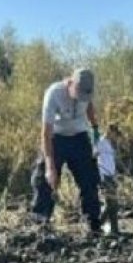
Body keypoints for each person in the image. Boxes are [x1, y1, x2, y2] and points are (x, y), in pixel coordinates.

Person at [31, 68, 103, 235]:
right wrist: (50, 168)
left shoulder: (86, 92)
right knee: (43, 179)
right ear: (70, 83)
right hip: (56, 138)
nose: (81, 99)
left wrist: (95, 129)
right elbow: (46, 133)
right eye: (78, 95)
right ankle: (41, 224)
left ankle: (93, 224)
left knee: (90, 179)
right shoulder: (53, 94)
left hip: (79, 137)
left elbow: (89, 106)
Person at [95, 123, 123, 235]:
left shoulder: (110, 144)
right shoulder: (101, 142)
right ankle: (98, 226)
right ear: (110, 132)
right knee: (112, 203)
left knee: (112, 203)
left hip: (111, 176)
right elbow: (93, 155)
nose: (116, 136)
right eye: (115, 134)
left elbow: (111, 161)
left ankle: (113, 229)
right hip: (104, 176)